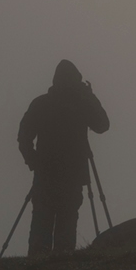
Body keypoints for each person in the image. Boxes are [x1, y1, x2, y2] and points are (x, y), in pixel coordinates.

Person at [17, 60, 110, 255]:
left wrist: (33, 161)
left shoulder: (42, 103)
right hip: (68, 174)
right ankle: (58, 265)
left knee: (43, 226)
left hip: (51, 174)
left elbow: (24, 135)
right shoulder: (78, 104)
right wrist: (90, 97)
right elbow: (102, 124)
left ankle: (37, 269)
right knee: (64, 228)